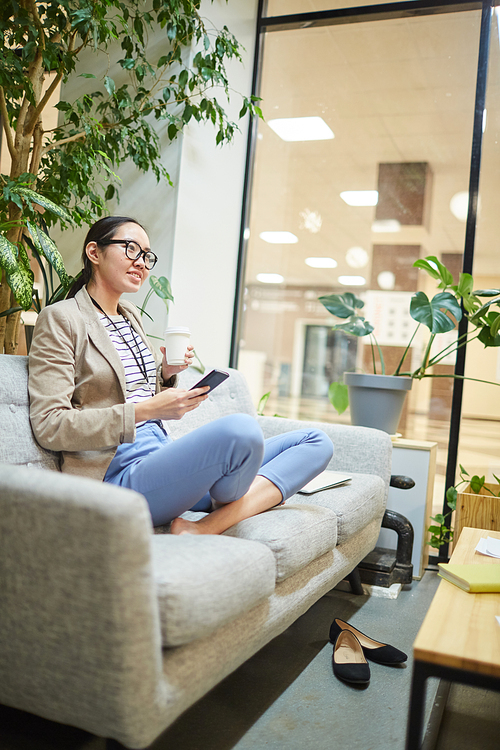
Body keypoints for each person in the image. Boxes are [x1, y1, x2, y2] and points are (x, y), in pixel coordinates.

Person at [28, 216, 333, 535]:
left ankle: (204, 524)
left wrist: (167, 374)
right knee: (241, 431)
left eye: (147, 256)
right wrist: (148, 410)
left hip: (162, 459)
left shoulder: (129, 316)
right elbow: (50, 424)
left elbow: (130, 390)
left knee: (315, 442)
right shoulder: (61, 320)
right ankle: (240, 499)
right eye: (131, 249)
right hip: (117, 476)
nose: (141, 263)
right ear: (94, 252)